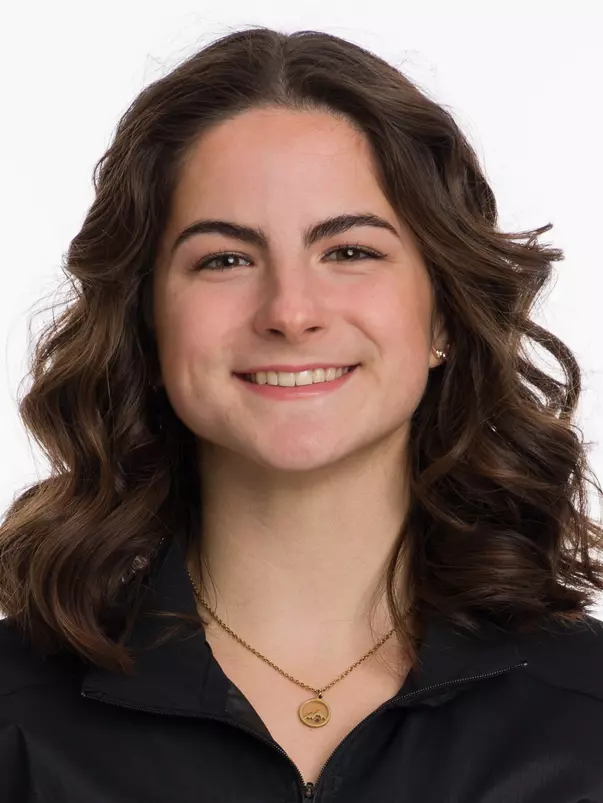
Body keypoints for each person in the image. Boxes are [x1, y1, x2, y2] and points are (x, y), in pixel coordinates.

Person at [1, 25, 602, 803]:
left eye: (349, 251)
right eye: (224, 258)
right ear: (147, 323)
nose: (290, 311)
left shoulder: (588, 716)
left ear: (444, 316)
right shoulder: (16, 720)